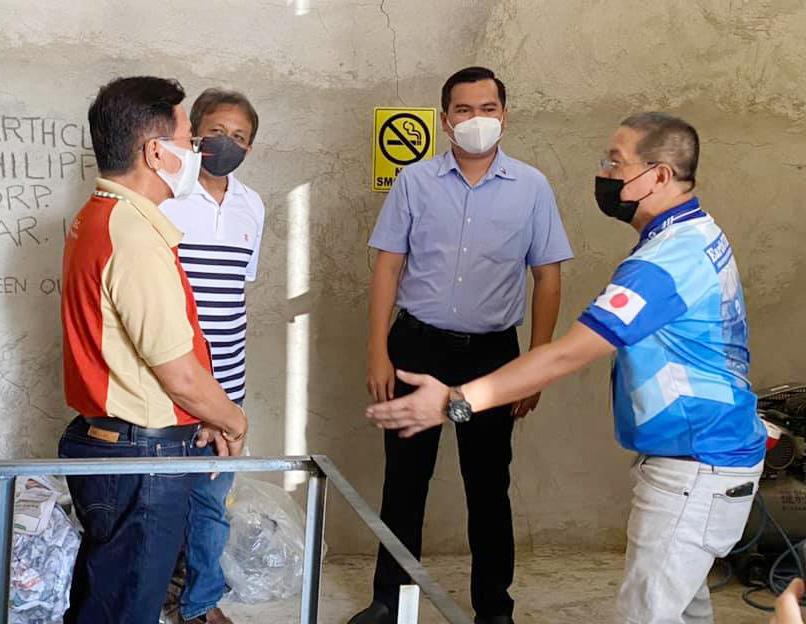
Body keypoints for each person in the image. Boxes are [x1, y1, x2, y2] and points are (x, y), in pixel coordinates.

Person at [366, 112, 768, 624]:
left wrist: (452, 401)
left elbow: (566, 354)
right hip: (702, 453)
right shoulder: (695, 234)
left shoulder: (665, 262)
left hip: (697, 462)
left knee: (646, 616)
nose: (603, 173)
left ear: (660, 175)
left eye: (616, 163)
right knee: (682, 613)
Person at [351, 66, 574, 624]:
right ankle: (389, 603)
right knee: (404, 483)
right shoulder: (414, 182)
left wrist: (537, 366)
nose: (477, 119)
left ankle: (494, 609)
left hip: (493, 357)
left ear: (505, 116)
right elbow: (388, 266)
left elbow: (547, 277)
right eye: (464, 110)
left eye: (488, 108)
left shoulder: (532, 187)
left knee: (488, 485)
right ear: (446, 120)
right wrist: (378, 350)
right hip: (416, 347)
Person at [59, 76, 248, 624]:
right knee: (130, 607)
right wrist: (232, 419)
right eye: (190, 140)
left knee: (106, 598)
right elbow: (178, 374)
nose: (198, 153)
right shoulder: (135, 237)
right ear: (155, 152)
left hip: (113, 443)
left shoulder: (99, 216)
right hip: (139, 457)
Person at [161, 88, 265, 624]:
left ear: (251, 147)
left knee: (211, 500)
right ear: (194, 133)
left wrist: (225, 396)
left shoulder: (253, 206)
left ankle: (201, 602)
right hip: (171, 380)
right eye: (217, 132)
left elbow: (236, 292)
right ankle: (154, 594)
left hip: (227, 382)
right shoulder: (165, 199)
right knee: (157, 500)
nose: (228, 143)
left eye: (240, 137)